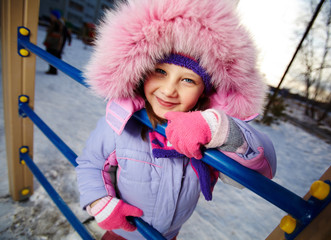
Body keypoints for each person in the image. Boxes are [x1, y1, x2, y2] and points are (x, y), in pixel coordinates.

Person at [76, 0, 277, 239]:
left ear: (204, 90)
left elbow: (263, 168)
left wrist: (217, 129)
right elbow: (91, 163)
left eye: (188, 80)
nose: (169, 90)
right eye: (160, 72)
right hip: (122, 232)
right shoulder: (122, 122)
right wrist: (100, 202)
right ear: (142, 70)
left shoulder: (208, 132)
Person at [43, 10, 63, 75]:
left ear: (56, 17)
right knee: (50, 58)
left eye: (52, 16)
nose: (51, 17)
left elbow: (56, 36)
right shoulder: (54, 23)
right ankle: (51, 70)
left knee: (52, 58)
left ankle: (53, 71)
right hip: (52, 44)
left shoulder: (57, 24)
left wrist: (48, 42)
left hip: (54, 45)